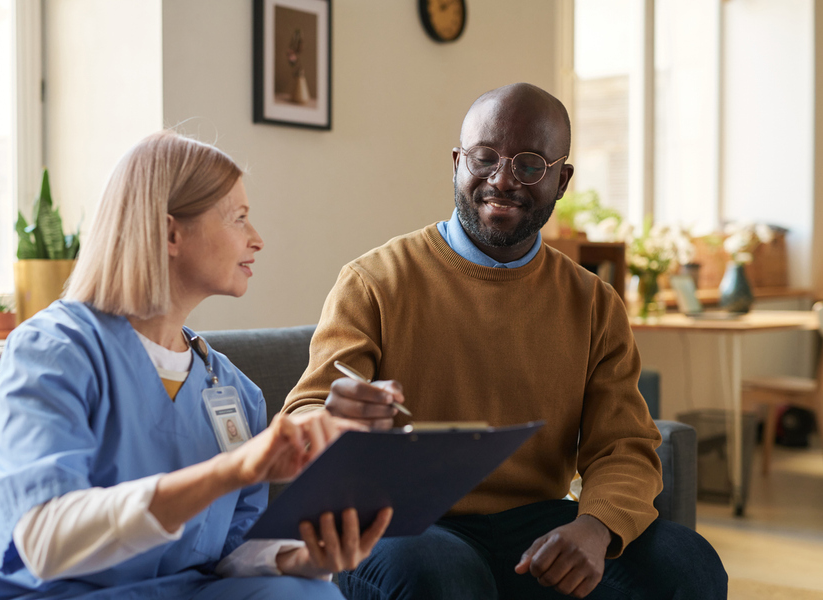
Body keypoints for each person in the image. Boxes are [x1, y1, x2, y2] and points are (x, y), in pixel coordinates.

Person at [283, 83, 727, 599]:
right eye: (484, 157)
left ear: (561, 180)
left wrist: (595, 529)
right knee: (440, 572)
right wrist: (331, 420)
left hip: (536, 523)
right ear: (456, 163)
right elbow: (303, 414)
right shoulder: (374, 281)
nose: (502, 179)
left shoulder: (593, 302)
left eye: (530, 164)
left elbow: (624, 446)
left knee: (689, 563)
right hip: (405, 523)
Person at [0, 131, 391, 600]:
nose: (258, 239)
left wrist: (304, 559)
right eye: (240, 219)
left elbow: (229, 549)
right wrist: (230, 471)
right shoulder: (53, 351)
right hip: (38, 591)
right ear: (171, 233)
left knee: (310, 595)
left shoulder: (232, 388)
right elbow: (44, 540)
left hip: (169, 589)